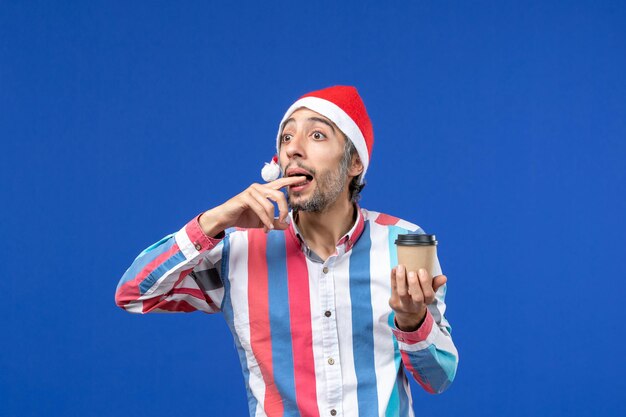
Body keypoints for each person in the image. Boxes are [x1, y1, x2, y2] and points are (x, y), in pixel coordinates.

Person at [115, 86, 458, 417]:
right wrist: (215, 220)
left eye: (317, 135)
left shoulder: (405, 242)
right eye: (287, 137)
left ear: (354, 162)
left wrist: (413, 321)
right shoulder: (239, 251)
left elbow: (438, 379)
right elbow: (133, 294)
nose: (293, 149)